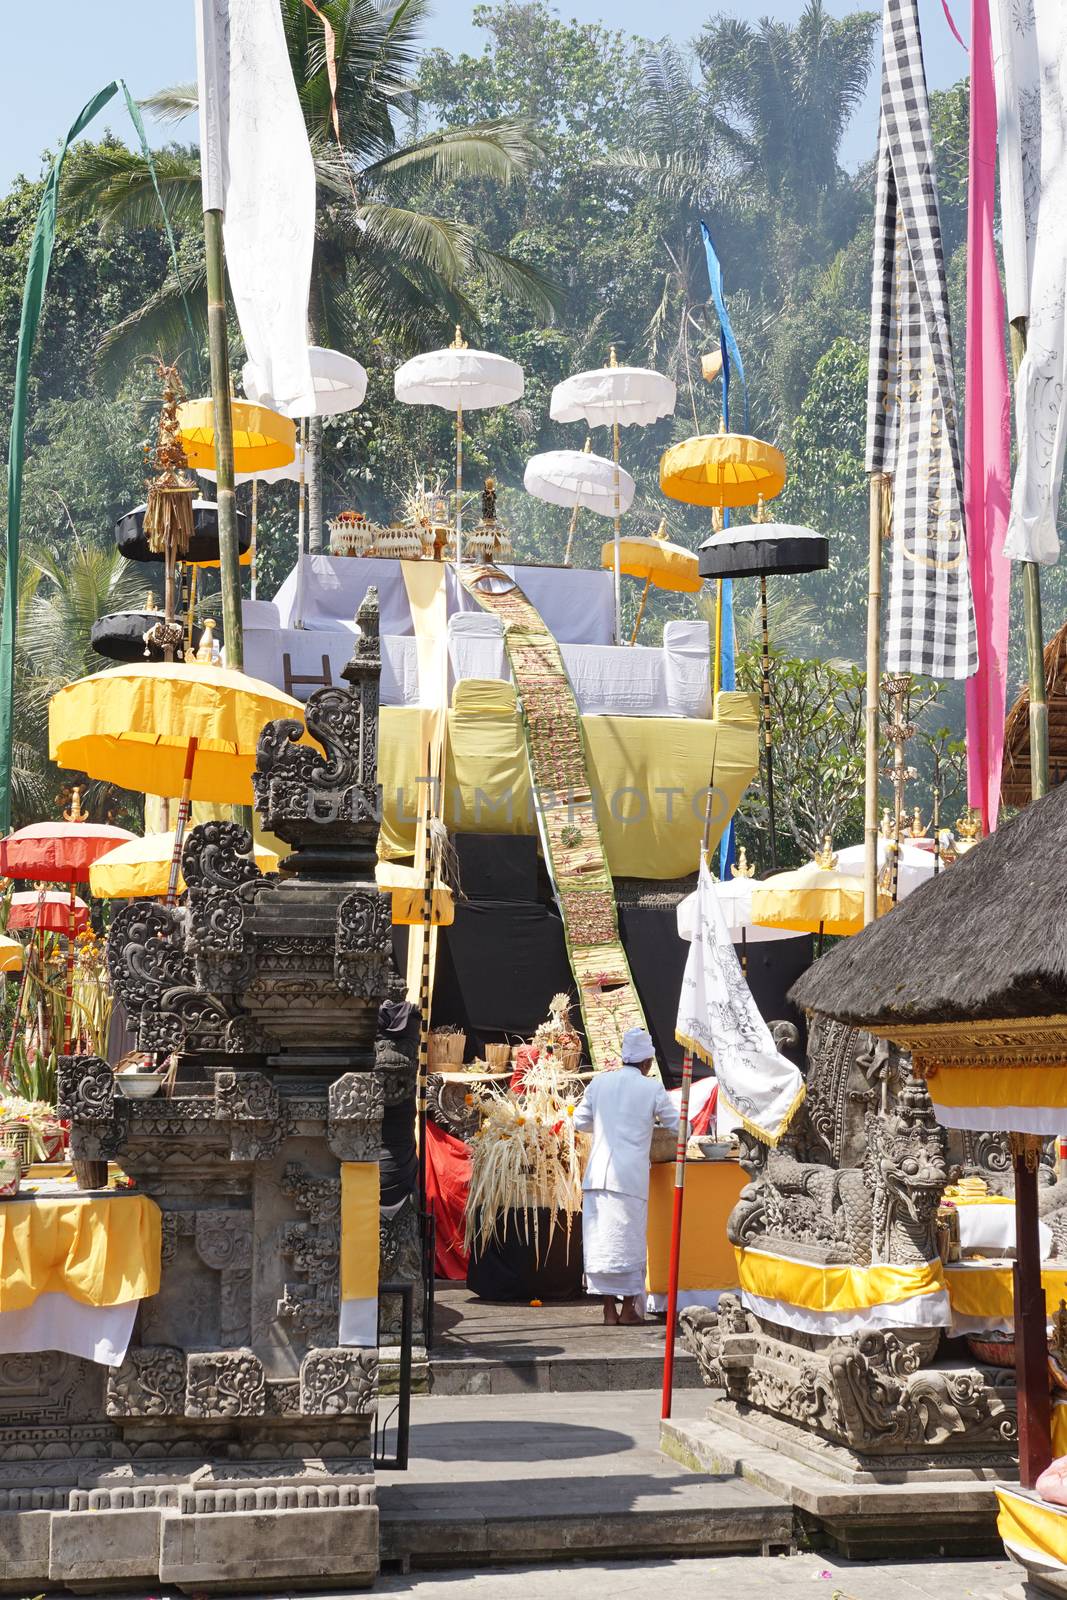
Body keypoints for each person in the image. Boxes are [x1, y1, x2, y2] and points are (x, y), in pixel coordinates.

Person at [572, 1027, 680, 1325]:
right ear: (647, 1063)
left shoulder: (599, 1082)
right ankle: (629, 1310)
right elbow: (676, 1126)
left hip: (597, 1178)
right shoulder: (652, 1088)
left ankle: (609, 1310)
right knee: (628, 1244)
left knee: (603, 1245)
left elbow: (579, 1121)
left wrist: (608, 1128)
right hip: (628, 1179)